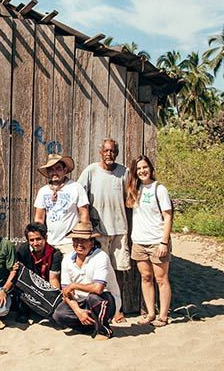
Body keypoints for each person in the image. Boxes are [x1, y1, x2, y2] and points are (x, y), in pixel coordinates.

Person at [78, 138, 130, 322]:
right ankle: (101, 308)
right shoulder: (91, 171)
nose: (109, 154)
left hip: (119, 229)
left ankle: (117, 309)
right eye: (106, 151)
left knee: (119, 270)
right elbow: (78, 194)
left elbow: (132, 196)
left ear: (117, 153)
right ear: (101, 152)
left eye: (113, 151)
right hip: (99, 231)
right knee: (101, 271)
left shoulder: (124, 172)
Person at [52, 222, 120, 340]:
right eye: (76, 240)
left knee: (93, 298)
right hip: (80, 301)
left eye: (83, 240)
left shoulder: (101, 257)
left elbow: (98, 288)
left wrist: (74, 285)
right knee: (59, 315)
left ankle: (104, 330)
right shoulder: (67, 259)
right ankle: (89, 327)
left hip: (106, 299)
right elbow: (66, 292)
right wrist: (78, 311)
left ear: (92, 242)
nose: (79, 244)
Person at [126, 155, 173, 327]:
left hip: (156, 241)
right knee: (146, 277)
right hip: (139, 241)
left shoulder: (159, 189)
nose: (142, 171)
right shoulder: (135, 189)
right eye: (138, 169)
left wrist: (164, 242)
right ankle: (150, 313)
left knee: (161, 279)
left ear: (150, 169)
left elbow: (168, 217)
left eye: (144, 167)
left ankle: (163, 316)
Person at [34, 154, 89, 255]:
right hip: (50, 242)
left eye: (58, 169)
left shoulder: (76, 188)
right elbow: (39, 218)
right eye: (51, 169)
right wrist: (41, 240)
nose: (54, 172)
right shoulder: (43, 191)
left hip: (70, 243)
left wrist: (81, 240)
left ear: (64, 170)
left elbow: (84, 214)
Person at [11, 222, 62, 323]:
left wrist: (54, 299)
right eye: (32, 240)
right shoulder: (23, 250)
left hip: (45, 286)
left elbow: (53, 279)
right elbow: (20, 274)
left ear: (45, 238)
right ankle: (23, 311)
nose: (35, 243)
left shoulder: (55, 254)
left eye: (38, 239)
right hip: (28, 285)